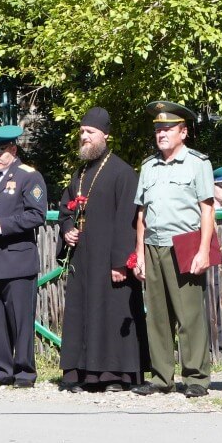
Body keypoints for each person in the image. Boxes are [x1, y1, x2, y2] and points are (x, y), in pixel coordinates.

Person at [57, 107, 145, 392]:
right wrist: (67, 228)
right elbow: (65, 208)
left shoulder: (122, 172)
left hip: (110, 260)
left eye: (90, 133)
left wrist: (121, 262)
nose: (84, 137)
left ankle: (114, 375)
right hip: (83, 259)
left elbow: (128, 220)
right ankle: (79, 373)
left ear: (106, 136)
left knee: (110, 312)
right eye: (82, 132)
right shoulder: (79, 173)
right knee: (82, 312)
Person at [132, 101, 215, 398]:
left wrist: (204, 251)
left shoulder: (198, 163)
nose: (161, 134)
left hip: (185, 243)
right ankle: (161, 377)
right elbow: (141, 214)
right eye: (158, 129)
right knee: (157, 315)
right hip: (154, 245)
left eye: (168, 129)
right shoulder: (148, 166)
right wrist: (139, 254)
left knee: (188, 314)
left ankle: (196, 377)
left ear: (184, 132)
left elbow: (208, 210)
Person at [0, 125, 47, 389]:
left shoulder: (29, 176)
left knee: (21, 320)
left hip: (17, 260)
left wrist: (2, 225)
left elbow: (36, 215)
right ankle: (1, 369)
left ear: (13, 150)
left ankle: (25, 372)